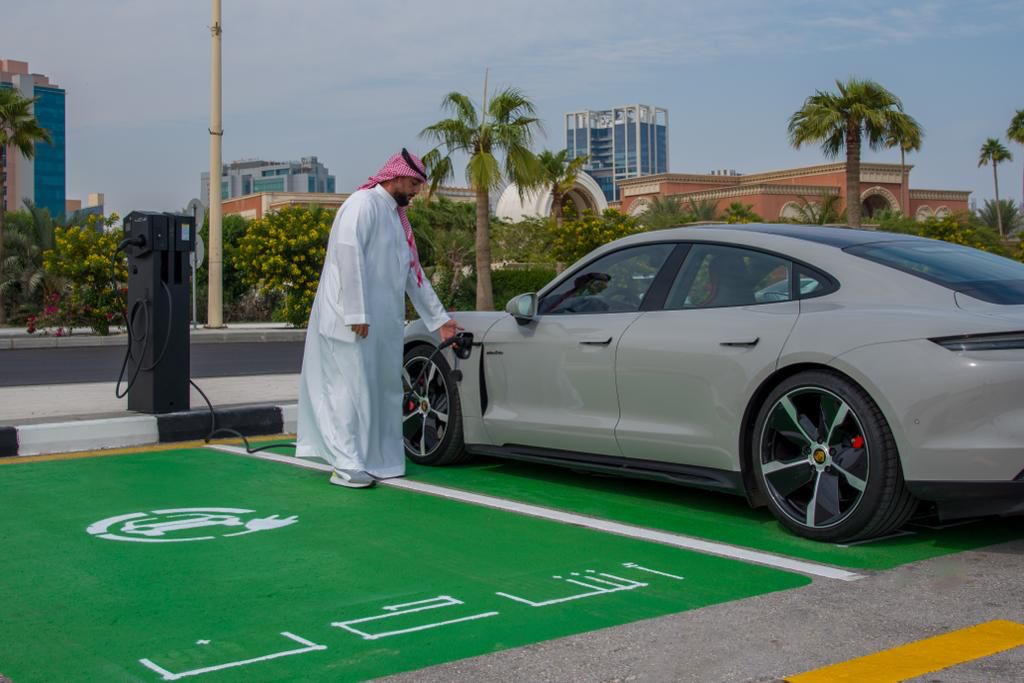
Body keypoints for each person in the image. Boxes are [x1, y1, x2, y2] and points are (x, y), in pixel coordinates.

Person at [296, 149, 461, 488]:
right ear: (396, 177)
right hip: (349, 321)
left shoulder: (397, 220)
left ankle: (381, 461)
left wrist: (440, 320)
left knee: (383, 391)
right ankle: (346, 465)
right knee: (348, 391)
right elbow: (348, 254)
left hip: (381, 325)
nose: (416, 191)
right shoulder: (362, 205)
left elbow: (413, 274)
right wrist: (357, 311)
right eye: (413, 184)